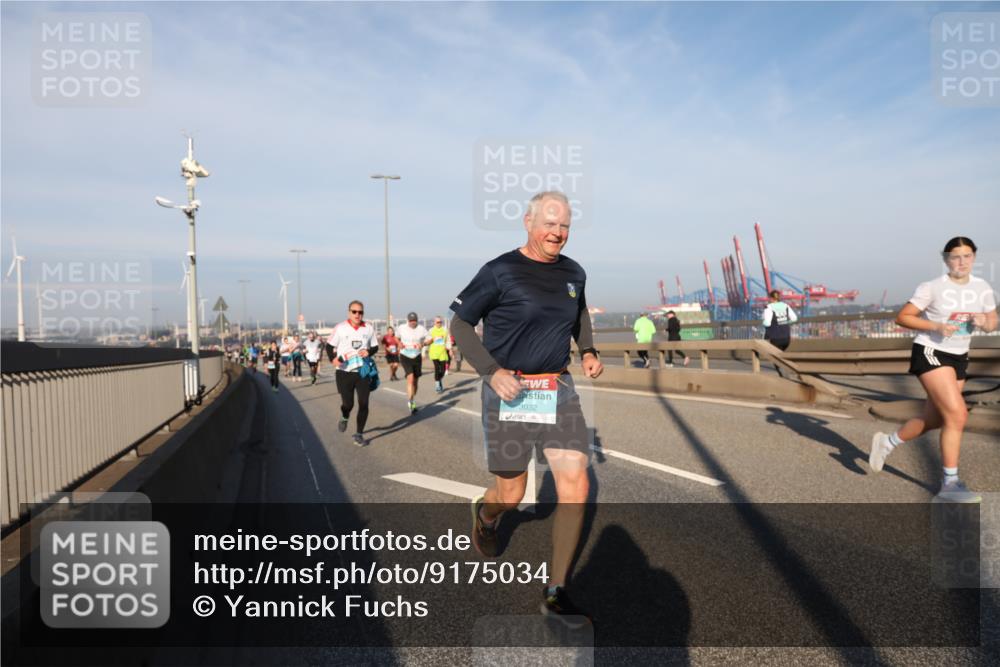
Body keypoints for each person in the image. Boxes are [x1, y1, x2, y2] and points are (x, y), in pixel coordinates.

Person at [450, 191, 603, 624]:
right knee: (512, 494)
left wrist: (587, 349)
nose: (557, 232)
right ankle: (487, 513)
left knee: (576, 484)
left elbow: (579, 315)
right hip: (509, 390)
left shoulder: (574, 272)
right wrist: (491, 371)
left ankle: (556, 592)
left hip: (557, 388)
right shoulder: (499, 271)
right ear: (528, 222)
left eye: (565, 226)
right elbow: (459, 323)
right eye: (550, 223)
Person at [869, 237, 996, 503]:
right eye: (955, 256)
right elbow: (903, 316)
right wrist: (936, 327)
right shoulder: (933, 287)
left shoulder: (982, 286)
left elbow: (992, 319)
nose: (961, 262)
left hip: (960, 356)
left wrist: (985, 321)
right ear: (946, 259)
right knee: (958, 414)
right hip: (931, 351)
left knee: (938, 419)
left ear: (974, 258)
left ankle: (887, 442)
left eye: (967, 256)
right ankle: (949, 485)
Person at [328, 301, 379, 446]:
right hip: (344, 372)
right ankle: (345, 416)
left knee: (364, 403)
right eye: (354, 311)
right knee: (348, 404)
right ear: (349, 312)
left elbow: (375, 346)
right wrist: (333, 360)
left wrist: (368, 351)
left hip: (362, 372)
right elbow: (329, 345)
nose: (357, 315)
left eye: (360, 312)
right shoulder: (341, 328)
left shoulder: (368, 328)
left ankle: (359, 434)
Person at [397, 312, 430, 414]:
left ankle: (412, 397)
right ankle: (411, 401)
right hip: (405, 355)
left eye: (414, 320)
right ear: (408, 320)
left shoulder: (421, 329)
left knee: (415, 382)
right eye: (410, 321)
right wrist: (399, 343)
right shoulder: (402, 328)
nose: (412, 322)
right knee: (410, 378)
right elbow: (396, 337)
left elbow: (430, 339)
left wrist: (423, 343)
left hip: (416, 356)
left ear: (417, 320)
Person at [428, 316, 450, 392]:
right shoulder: (431, 330)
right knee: (437, 368)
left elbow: (448, 340)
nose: (439, 323)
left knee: (443, 370)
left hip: (442, 353)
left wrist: (450, 349)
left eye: (440, 322)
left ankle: (439, 380)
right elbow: (427, 341)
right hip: (434, 353)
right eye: (437, 322)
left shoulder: (445, 330)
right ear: (434, 323)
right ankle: (437, 385)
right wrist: (423, 351)